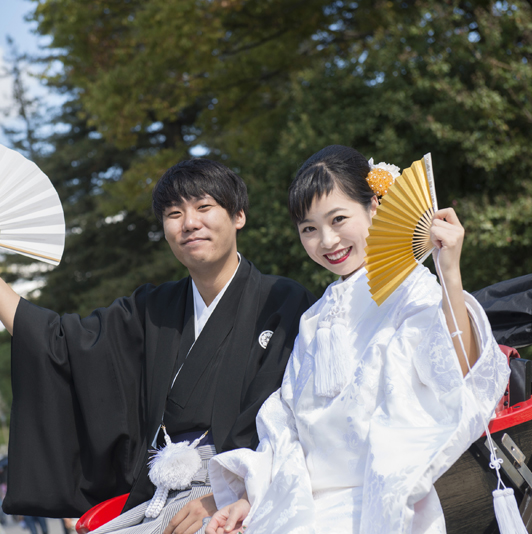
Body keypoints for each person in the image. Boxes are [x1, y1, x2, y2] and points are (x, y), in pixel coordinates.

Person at [0, 159, 315, 534]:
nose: (189, 223)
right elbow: (58, 343)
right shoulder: (152, 310)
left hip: (241, 492)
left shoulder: (281, 301)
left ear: (238, 216)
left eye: (204, 207)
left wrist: (230, 491)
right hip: (159, 492)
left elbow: (293, 422)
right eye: (173, 213)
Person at [205, 145, 511, 534]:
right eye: (309, 229)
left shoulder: (410, 287)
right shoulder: (314, 317)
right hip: (304, 496)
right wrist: (255, 494)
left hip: (375, 489)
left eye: (338, 219)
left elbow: (456, 374)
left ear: (374, 209)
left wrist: (449, 272)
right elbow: (287, 421)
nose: (328, 241)